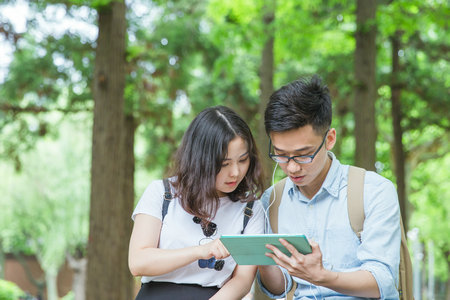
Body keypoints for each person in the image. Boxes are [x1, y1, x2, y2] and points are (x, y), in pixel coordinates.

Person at [256, 75, 401, 299]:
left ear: (330, 138)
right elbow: (279, 288)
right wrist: (261, 259)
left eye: (304, 155)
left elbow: (382, 281)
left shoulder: (374, 191)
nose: (292, 167)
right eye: (281, 155)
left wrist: (322, 276)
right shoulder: (272, 201)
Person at [129, 105, 265, 300]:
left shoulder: (250, 209)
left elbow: (243, 280)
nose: (235, 172)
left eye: (243, 160)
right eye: (224, 164)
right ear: (201, 160)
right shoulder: (162, 193)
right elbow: (138, 262)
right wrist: (201, 251)